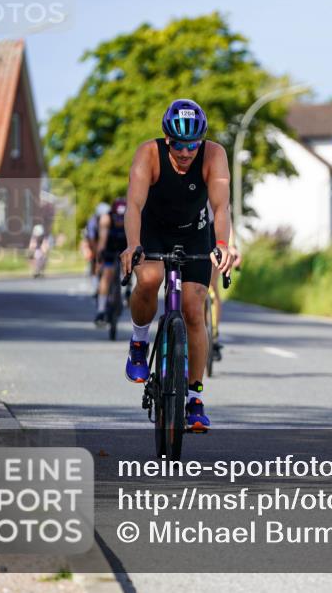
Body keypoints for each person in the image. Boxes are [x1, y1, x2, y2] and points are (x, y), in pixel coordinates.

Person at [119, 99, 232, 432]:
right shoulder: (148, 154)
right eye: (178, 145)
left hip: (195, 233)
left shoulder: (215, 155)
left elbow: (221, 208)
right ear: (166, 139)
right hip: (152, 232)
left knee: (194, 308)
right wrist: (133, 245)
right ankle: (139, 341)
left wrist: (223, 245)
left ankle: (195, 397)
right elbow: (134, 206)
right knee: (151, 278)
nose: (185, 153)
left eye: (192, 145)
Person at [205, 201, 242, 361]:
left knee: (211, 287)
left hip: (213, 232)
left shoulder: (215, 181)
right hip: (190, 231)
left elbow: (226, 215)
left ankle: (213, 335)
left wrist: (232, 246)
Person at [94, 198, 129, 325]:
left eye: (122, 218)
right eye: (117, 218)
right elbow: (102, 240)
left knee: (131, 266)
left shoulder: (130, 216)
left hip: (125, 245)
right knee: (107, 274)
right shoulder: (106, 218)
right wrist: (100, 258)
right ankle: (101, 310)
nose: (120, 221)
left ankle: (128, 289)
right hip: (110, 246)